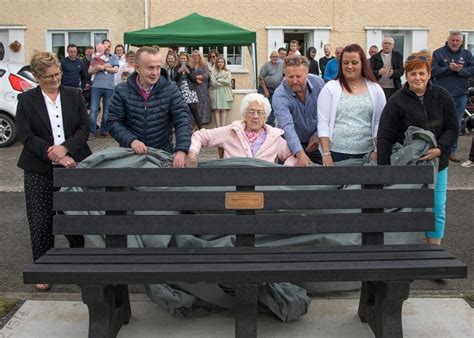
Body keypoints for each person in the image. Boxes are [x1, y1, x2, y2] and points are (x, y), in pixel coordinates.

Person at [16, 51, 91, 291]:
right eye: (48, 76)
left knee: (74, 220)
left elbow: (84, 128)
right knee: (40, 221)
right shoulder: (26, 100)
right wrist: (52, 152)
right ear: (37, 76)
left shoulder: (74, 95)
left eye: (57, 74)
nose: (55, 79)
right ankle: (43, 269)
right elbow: (25, 135)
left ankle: (78, 265)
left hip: (73, 165)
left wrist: (66, 148)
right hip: (38, 168)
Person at [377, 52, 458, 245]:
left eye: (421, 73)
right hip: (407, 166)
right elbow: (385, 137)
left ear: (429, 74)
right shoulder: (396, 101)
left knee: (437, 207)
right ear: (406, 75)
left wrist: (440, 148)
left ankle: (434, 249)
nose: (417, 78)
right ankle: (405, 248)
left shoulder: (442, 96)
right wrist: (384, 171)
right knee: (406, 207)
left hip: (438, 163)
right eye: (412, 74)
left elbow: (452, 128)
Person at [108, 46, 192, 168]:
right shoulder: (121, 91)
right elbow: (113, 121)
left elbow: (183, 120)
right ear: (137, 68)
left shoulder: (171, 89)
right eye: (150, 68)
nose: (155, 73)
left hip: (162, 155)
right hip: (130, 155)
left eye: (158, 67)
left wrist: (181, 150)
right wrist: (131, 141)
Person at [317, 44, 386, 165]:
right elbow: (323, 122)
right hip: (336, 154)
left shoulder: (376, 89)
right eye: (345, 63)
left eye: (354, 62)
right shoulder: (330, 88)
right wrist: (326, 153)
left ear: (362, 64)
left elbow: (379, 122)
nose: (349, 67)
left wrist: (377, 150)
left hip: (367, 154)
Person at [187, 93, 296, 166]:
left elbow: (292, 156)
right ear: (244, 114)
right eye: (251, 112)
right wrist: (192, 153)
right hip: (233, 186)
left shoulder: (274, 136)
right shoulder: (231, 131)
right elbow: (199, 136)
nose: (255, 116)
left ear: (266, 117)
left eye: (260, 112)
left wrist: (285, 169)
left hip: (264, 187)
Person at [272, 55, 326, 166]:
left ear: (307, 74)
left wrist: (317, 134)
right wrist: (300, 154)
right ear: (284, 75)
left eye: (298, 76)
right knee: (289, 180)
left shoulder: (319, 83)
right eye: (290, 77)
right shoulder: (279, 95)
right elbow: (287, 126)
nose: (295, 81)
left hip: (316, 141)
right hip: (289, 143)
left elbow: (326, 114)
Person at [432, 31, 474, 163]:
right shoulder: (438, 53)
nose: (455, 43)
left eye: (457, 41)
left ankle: (452, 151)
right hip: (442, 94)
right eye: (452, 41)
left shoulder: (467, 54)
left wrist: (460, 71)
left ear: (461, 41)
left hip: (460, 95)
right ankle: (438, 149)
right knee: (439, 122)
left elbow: (472, 71)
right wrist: (449, 69)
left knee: (456, 123)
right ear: (448, 40)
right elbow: (433, 71)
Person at [88, 39, 119, 139]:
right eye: (106, 46)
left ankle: (104, 130)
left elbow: (115, 69)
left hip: (109, 87)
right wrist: (102, 66)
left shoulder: (113, 57)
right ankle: (92, 132)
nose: (108, 48)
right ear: (102, 47)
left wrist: (103, 68)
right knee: (93, 110)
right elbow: (90, 70)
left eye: (109, 46)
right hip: (96, 86)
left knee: (107, 111)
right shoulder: (96, 57)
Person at [175, 52, 202, 129]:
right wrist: (179, 72)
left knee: (194, 110)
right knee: (181, 111)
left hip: (189, 90)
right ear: (179, 59)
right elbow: (174, 80)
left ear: (187, 60)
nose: (183, 60)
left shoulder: (191, 68)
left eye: (184, 59)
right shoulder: (176, 68)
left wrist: (188, 72)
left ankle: (201, 128)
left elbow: (194, 79)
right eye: (181, 58)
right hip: (180, 91)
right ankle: (182, 128)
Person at [258, 51, 284, 127]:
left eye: (276, 57)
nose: (275, 58)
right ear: (270, 57)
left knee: (273, 107)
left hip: (275, 89)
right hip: (264, 88)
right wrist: (265, 90)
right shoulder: (266, 66)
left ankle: (270, 125)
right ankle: (261, 123)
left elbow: (285, 74)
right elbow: (260, 78)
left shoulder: (282, 64)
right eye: (273, 57)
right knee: (263, 106)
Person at [210, 56, 233, 128]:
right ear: (216, 63)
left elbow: (228, 81)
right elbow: (213, 83)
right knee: (217, 109)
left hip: (225, 92)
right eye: (218, 62)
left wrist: (219, 80)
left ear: (224, 63)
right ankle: (218, 127)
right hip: (216, 91)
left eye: (222, 62)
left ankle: (222, 127)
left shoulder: (227, 71)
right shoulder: (213, 71)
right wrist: (223, 81)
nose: (220, 63)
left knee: (223, 109)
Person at [191, 50, 211, 124]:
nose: (196, 57)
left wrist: (194, 77)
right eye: (194, 56)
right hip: (193, 88)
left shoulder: (204, 65)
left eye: (197, 55)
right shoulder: (191, 66)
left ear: (200, 56)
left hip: (202, 89)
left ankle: (200, 127)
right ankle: (195, 126)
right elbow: (188, 75)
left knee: (202, 106)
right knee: (194, 107)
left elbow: (206, 75)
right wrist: (196, 78)